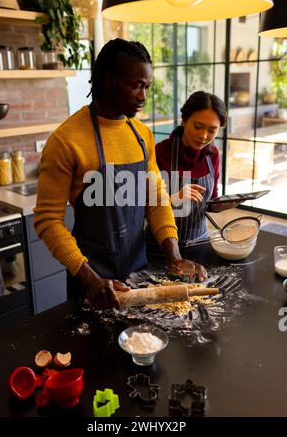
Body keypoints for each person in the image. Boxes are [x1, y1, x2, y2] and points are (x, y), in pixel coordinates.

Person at [34, 39, 207, 310]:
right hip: (91, 283)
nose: (143, 96)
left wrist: (174, 256)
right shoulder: (67, 141)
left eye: (146, 87)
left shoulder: (142, 135)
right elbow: (48, 221)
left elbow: (157, 199)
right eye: (136, 85)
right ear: (109, 80)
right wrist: (90, 278)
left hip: (139, 275)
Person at [147, 90, 237, 258]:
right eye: (198, 126)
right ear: (184, 120)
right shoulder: (160, 152)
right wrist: (176, 198)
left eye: (212, 130)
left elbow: (210, 201)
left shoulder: (213, 155)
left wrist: (222, 204)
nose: (203, 136)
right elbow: (144, 205)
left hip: (199, 243)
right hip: (160, 248)